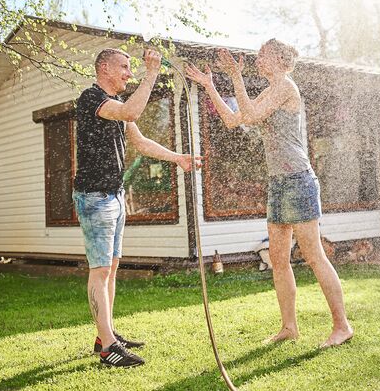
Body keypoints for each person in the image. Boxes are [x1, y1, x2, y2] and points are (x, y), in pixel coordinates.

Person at [185, 39, 354, 348]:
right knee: (278, 259)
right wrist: (209, 85)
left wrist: (235, 76)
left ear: (279, 58)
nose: (257, 60)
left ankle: (342, 326)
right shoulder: (267, 91)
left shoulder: (285, 87)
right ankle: (289, 327)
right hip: (278, 183)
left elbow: (249, 117)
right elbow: (234, 119)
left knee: (314, 255)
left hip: (299, 180)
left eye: (262, 55)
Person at [73, 47, 202, 367]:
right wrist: (153, 73)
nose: (129, 74)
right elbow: (131, 111)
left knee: (112, 268)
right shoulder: (91, 99)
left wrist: (178, 159)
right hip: (95, 197)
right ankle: (108, 350)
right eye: (124, 68)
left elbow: (141, 142)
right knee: (100, 270)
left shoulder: (115, 107)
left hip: (115, 196)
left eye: (131, 69)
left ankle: (106, 334)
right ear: (103, 68)